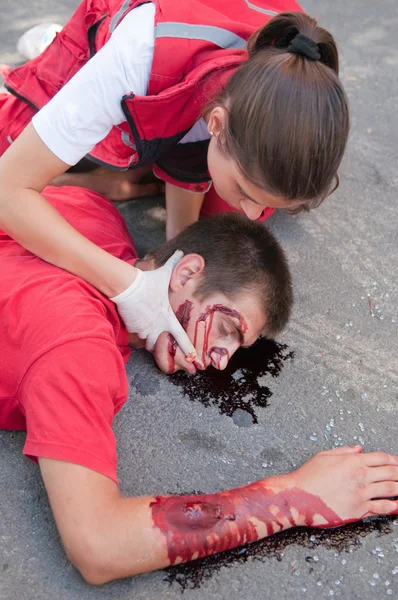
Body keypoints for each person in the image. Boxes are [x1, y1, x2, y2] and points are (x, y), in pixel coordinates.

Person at [1, 185, 397, 585]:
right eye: (226, 330)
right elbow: (97, 544)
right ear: (186, 272)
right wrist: (293, 497)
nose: (219, 359)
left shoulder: (94, 213)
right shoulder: (76, 352)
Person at [0, 1, 350, 352]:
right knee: (13, 146)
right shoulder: (138, 57)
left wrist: (172, 266)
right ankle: (52, 46)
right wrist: (130, 286)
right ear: (217, 124)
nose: (253, 214)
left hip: (195, 70)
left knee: (226, 218)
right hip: (122, 39)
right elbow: (6, 191)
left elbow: (201, 163)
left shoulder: (300, 82)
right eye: (247, 192)